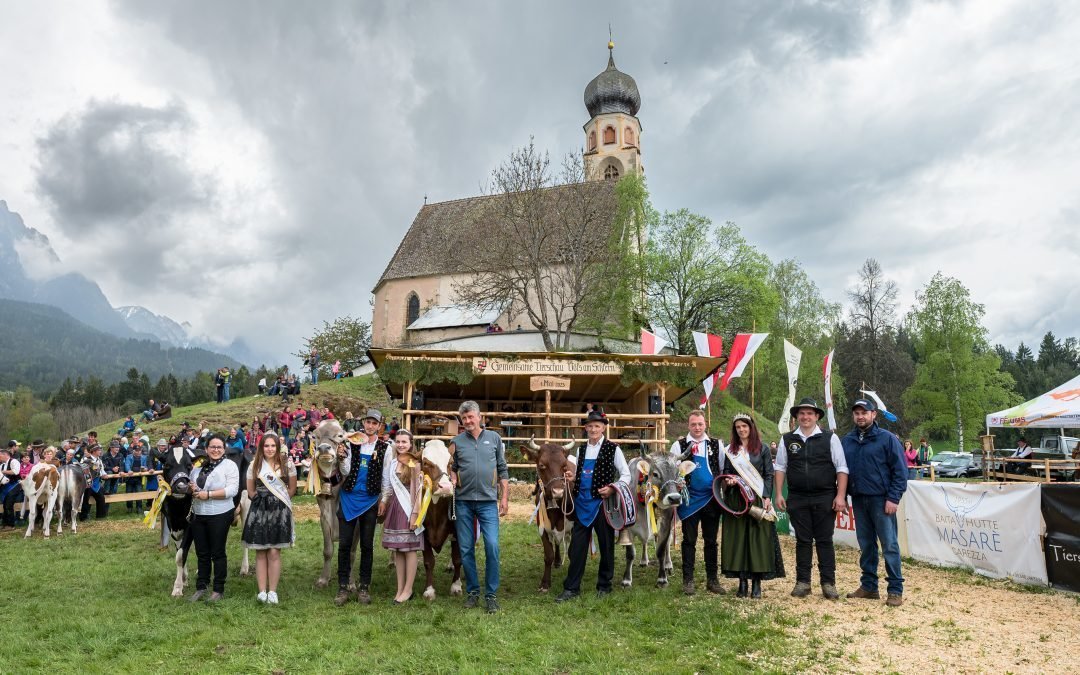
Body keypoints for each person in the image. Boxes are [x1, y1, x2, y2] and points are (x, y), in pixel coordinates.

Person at [774, 397, 849, 600]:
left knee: (825, 540)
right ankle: (803, 582)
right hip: (797, 497)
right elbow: (780, 467)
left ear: (817, 416)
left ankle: (828, 583)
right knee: (803, 541)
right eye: (802, 413)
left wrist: (840, 496)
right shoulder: (787, 439)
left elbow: (842, 468)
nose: (805, 417)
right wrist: (779, 493)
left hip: (825, 496)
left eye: (809, 413)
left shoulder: (830, 438)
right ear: (796, 416)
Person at [556, 410, 630, 604]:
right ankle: (572, 588)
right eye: (590, 426)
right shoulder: (580, 450)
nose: (593, 429)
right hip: (582, 504)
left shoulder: (614, 449)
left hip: (602, 505)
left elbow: (626, 475)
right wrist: (574, 478)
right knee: (577, 548)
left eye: (597, 426)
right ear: (585, 428)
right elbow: (582, 474)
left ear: (603, 427)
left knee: (606, 546)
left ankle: (604, 585)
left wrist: (613, 488)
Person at [842, 398, 908, 607]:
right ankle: (869, 586)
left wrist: (893, 498)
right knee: (866, 545)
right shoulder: (848, 440)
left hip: (882, 500)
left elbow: (900, 472)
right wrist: (842, 496)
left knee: (889, 545)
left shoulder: (887, 439)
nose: (860, 416)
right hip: (859, 499)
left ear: (874, 414)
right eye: (857, 413)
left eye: (865, 412)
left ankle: (895, 589)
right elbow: (842, 471)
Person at [449, 400, 509, 613]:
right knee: (465, 549)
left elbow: (502, 469)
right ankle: (473, 592)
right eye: (464, 418)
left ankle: (491, 594)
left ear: (479, 417)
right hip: (464, 502)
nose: (467, 421)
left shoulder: (494, 438)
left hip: (488, 503)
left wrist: (504, 498)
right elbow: (453, 467)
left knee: (492, 545)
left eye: (471, 417)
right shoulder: (456, 441)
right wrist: (453, 477)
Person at [720, 413, 784, 599]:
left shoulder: (762, 449)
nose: (741, 429)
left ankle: (756, 582)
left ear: (751, 427)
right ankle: (742, 582)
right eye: (738, 427)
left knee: (758, 540)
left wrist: (766, 496)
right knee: (738, 539)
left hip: (756, 498)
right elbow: (725, 473)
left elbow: (769, 475)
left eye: (744, 426)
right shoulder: (730, 450)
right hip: (736, 500)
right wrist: (729, 481)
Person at [333, 410, 389, 606]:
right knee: (345, 545)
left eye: (374, 423)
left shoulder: (385, 448)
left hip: (370, 501)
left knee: (367, 545)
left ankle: (364, 587)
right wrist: (341, 458)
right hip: (349, 498)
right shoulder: (351, 442)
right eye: (368, 422)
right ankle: (342, 587)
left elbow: (386, 477)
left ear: (379, 425)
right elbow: (346, 471)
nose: (370, 426)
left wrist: (384, 499)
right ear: (363, 423)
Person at [670, 410, 724, 595]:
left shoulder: (716, 445)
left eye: (700, 424)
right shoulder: (678, 445)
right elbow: (672, 470)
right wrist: (678, 482)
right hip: (689, 499)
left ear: (705, 424)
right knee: (689, 540)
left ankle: (712, 580)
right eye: (693, 424)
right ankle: (688, 580)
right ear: (688, 425)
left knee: (711, 541)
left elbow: (722, 469)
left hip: (711, 499)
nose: (697, 427)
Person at [242, 433, 297, 605]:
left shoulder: (287, 464)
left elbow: (292, 489)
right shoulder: (255, 465)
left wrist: (277, 500)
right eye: (266, 446)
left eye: (273, 446)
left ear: (278, 447)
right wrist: (262, 500)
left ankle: (272, 591)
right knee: (260, 550)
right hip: (260, 510)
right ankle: (262, 591)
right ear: (261, 447)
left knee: (274, 551)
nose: (270, 449)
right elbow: (250, 491)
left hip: (279, 511)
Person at [188, 434, 241, 602]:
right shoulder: (197, 467)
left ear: (224, 449)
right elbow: (193, 485)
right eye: (212, 447)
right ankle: (201, 586)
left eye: (219, 447)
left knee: (217, 552)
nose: (216, 450)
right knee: (201, 552)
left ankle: (218, 589)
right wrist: (192, 488)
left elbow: (232, 490)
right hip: (198, 514)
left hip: (220, 514)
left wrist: (208, 495)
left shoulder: (229, 466)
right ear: (206, 449)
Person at [380, 428, 425, 605]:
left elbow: (418, 492)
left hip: (409, 509)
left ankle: (409, 588)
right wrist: (384, 501)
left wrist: (415, 514)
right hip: (394, 508)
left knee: (410, 549)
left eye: (404, 442)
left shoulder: (414, 464)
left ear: (411, 444)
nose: (400, 445)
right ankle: (400, 588)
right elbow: (388, 487)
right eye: (397, 441)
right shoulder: (392, 464)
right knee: (397, 548)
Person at [79, 444, 108, 520]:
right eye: (98, 450)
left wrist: (104, 475)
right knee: (85, 500)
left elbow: (102, 471)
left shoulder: (99, 460)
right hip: (87, 484)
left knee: (101, 499)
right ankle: (83, 517)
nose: (100, 451)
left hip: (96, 484)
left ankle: (100, 516)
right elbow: (82, 471)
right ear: (94, 451)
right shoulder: (85, 460)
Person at [1, 443, 23, 529]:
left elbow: (16, 472)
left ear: (5, 455)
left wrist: (3, 472)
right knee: (5, 504)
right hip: (5, 486)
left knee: (9, 504)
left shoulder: (14, 461)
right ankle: (5, 523)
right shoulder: (2, 465)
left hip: (16, 484)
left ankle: (11, 524)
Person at [123, 444, 150, 512]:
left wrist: (145, 469)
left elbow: (146, 466)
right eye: (136, 450)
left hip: (139, 478)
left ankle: (139, 507)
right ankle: (129, 508)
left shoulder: (144, 457)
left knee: (139, 492)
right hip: (130, 478)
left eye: (139, 450)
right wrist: (129, 470)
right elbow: (127, 464)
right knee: (129, 492)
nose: (138, 452)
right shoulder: (129, 457)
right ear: (133, 451)